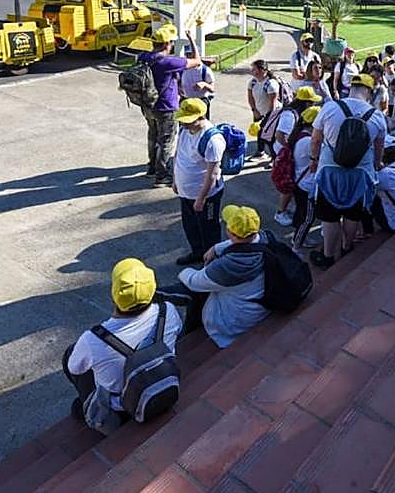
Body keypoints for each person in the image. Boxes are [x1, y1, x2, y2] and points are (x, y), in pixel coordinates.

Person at [64, 258, 181, 424]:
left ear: (114, 294)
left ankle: (90, 405)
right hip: (159, 383)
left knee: (70, 354)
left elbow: (74, 368)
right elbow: (178, 331)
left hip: (120, 407)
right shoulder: (168, 310)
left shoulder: (93, 339)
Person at [308, 73, 388, 267]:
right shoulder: (376, 116)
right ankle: (347, 247)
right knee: (353, 214)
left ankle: (327, 256)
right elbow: (379, 148)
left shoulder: (330, 107)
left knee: (330, 216)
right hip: (360, 174)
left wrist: (314, 159)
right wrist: (377, 164)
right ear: (369, 92)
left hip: (330, 170)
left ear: (351, 88)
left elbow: (316, 139)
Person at [176, 206, 276, 347]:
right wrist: (216, 248)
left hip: (235, 324)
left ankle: (189, 331)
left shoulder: (227, 266)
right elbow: (244, 242)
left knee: (194, 293)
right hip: (261, 307)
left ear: (229, 232)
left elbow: (194, 282)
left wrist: (183, 272)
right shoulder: (267, 238)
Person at [142, 25, 204, 186]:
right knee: (167, 141)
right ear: (166, 44)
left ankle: (152, 168)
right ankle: (162, 176)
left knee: (153, 135)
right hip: (166, 107)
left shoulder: (143, 57)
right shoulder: (168, 62)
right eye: (171, 43)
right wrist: (191, 39)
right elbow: (197, 62)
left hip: (148, 105)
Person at [171, 98, 226, 266]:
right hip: (185, 192)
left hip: (206, 196)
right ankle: (197, 253)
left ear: (201, 116)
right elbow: (178, 156)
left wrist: (201, 198)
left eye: (188, 120)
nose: (184, 124)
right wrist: (175, 180)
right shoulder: (184, 131)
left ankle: (211, 262)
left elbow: (212, 173)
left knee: (209, 230)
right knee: (190, 226)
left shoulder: (213, 140)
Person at [272, 86, 324, 226]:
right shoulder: (290, 115)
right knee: (288, 185)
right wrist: (289, 148)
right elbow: (279, 135)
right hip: (286, 152)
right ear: (306, 103)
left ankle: (294, 209)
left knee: (293, 184)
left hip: (292, 150)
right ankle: (280, 212)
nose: (314, 104)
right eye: (312, 102)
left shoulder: (300, 115)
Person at [291, 105, 320, 247]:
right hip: (307, 186)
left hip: (298, 181)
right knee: (308, 218)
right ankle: (297, 244)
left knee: (300, 211)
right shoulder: (309, 142)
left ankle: (298, 235)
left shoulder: (299, 134)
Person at [247, 59, 281, 161]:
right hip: (258, 112)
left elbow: (273, 104)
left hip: (272, 114)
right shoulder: (252, 82)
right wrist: (254, 110)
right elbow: (250, 97)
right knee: (260, 133)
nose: (252, 72)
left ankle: (274, 158)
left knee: (270, 137)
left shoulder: (271, 84)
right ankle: (260, 152)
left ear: (262, 70)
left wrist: (268, 119)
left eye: (254, 69)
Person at [179, 45, 216, 112]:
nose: (189, 57)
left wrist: (204, 84)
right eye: (187, 54)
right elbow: (178, 83)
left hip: (201, 101)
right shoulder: (183, 69)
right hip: (186, 101)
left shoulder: (205, 70)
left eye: (191, 54)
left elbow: (212, 89)